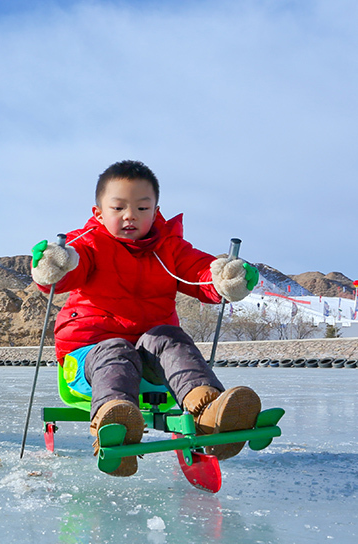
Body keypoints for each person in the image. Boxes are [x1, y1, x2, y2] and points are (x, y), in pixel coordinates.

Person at [30, 160, 261, 477]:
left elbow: (200, 273)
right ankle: (115, 418)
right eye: (119, 207)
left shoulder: (170, 249)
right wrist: (55, 265)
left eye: (141, 207)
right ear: (99, 213)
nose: (130, 216)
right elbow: (70, 267)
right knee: (114, 350)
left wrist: (223, 278)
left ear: (155, 211)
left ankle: (208, 410)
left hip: (149, 361)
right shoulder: (90, 244)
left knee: (169, 337)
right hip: (88, 358)